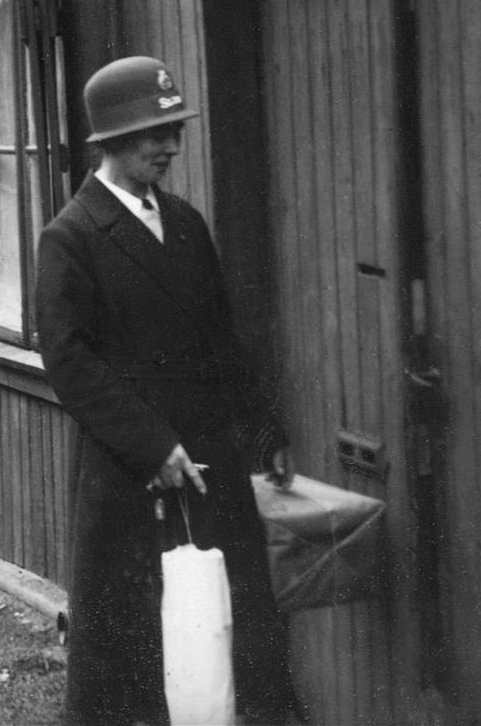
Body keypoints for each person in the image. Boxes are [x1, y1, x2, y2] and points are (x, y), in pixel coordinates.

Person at [36, 56, 297, 726]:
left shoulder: (185, 222)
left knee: (229, 648)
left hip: (213, 469)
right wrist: (153, 446)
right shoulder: (71, 236)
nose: (170, 146)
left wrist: (264, 429)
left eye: (173, 130)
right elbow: (69, 362)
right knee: (136, 665)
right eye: (154, 134)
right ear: (110, 139)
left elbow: (221, 340)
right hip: (130, 477)